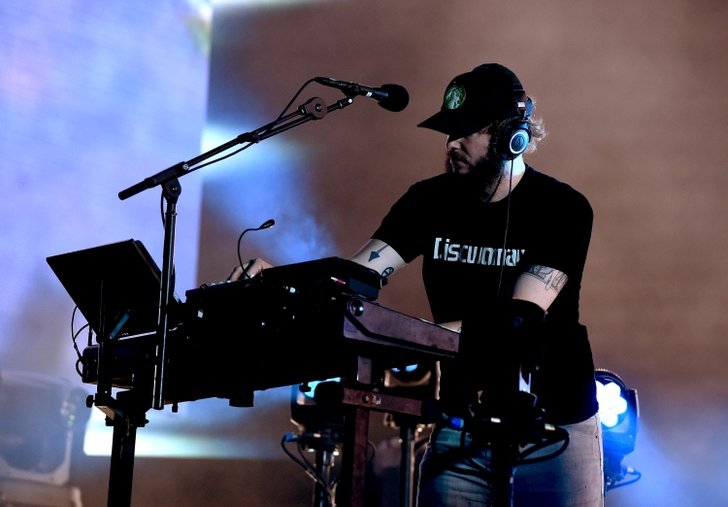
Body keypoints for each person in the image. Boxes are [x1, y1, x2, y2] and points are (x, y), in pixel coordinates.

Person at [233, 62, 603, 506]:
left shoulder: (563, 209)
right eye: (448, 132)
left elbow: (517, 322)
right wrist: (277, 281)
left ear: (511, 136)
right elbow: (354, 278)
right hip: (461, 423)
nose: (451, 144)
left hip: (554, 428)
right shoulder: (427, 200)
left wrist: (406, 339)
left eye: (466, 132)